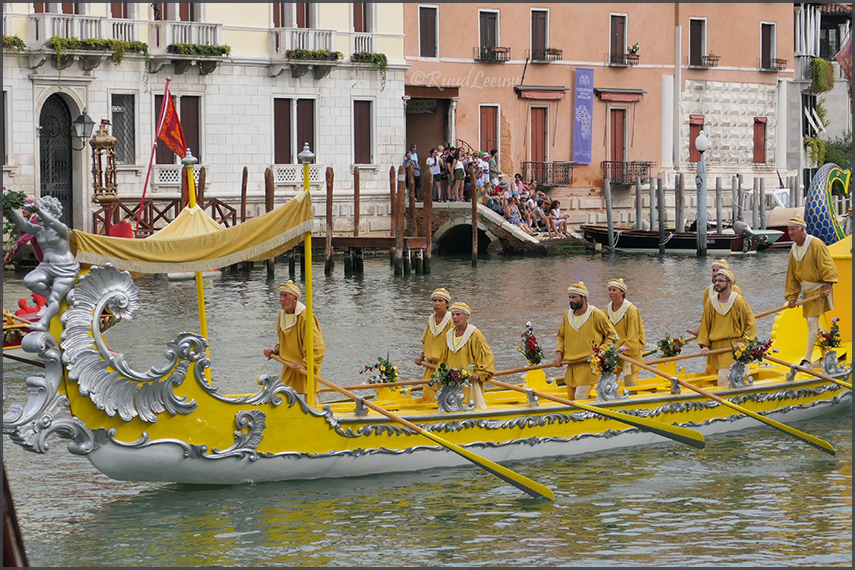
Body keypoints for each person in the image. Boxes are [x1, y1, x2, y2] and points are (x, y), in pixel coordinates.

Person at [4, 196, 79, 331]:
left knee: (55, 297)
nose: (38, 216)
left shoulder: (62, 229)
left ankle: (43, 323)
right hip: (46, 267)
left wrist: (38, 210)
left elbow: (52, 222)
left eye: (44, 211)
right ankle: (51, 301)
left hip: (65, 268)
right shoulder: (39, 231)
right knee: (29, 280)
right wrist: (9, 208)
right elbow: (22, 224)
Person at [784, 216, 839, 367]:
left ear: (802, 229)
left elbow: (827, 265)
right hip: (808, 291)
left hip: (820, 288)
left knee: (811, 321)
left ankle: (806, 360)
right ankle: (827, 354)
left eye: (793, 229)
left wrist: (828, 287)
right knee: (816, 326)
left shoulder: (815, 244)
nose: (790, 232)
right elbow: (792, 275)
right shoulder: (794, 249)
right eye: (789, 229)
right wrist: (792, 297)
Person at [553, 282, 618, 400]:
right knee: (571, 399)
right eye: (569, 297)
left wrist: (600, 352)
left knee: (579, 398)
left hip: (589, 365)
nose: (571, 300)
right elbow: (561, 337)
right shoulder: (567, 315)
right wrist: (559, 354)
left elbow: (612, 335)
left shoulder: (597, 314)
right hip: (572, 365)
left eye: (574, 297)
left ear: (584, 298)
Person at [263, 280, 326, 397]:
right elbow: (285, 339)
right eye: (281, 295)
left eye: (285, 296)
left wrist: (306, 365)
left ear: (295, 298)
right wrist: (277, 351)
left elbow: (318, 347)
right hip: (290, 367)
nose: (282, 299)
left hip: (303, 369)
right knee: (285, 396)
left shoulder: (306, 317)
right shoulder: (282, 315)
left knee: (309, 398)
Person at [698, 268, 757, 386]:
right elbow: (705, 326)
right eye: (716, 280)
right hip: (717, 348)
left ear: (729, 283)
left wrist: (744, 343)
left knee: (725, 379)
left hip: (734, 347)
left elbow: (750, 324)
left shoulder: (738, 301)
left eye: (721, 281)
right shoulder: (711, 303)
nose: (717, 283)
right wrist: (705, 345)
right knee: (721, 379)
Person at [438, 302, 495, 410]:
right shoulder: (449, 334)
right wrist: (440, 374)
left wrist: (479, 374)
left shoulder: (475, 334)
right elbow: (443, 358)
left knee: (468, 404)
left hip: (469, 381)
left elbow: (486, 356)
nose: (455, 317)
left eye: (458, 314)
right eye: (453, 315)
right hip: (452, 380)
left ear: (466, 317)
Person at [605, 278, 646, 392]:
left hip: (628, 353)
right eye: (609, 290)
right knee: (609, 386)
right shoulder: (608, 309)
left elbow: (633, 334)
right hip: (613, 353)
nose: (611, 293)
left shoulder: (631, 310)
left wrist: (623, 350)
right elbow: (606, 331)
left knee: (631, 386)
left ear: (622, 292)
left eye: (614, 290)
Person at [415, 288, 455, 403]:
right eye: (435, 301)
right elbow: (426, 339)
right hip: (431, 364)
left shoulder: (451, 320)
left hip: (445, 365)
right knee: (427, 394)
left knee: (450, 395)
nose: (437, 304)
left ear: (447, 303)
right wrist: (422, 357)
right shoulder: (430, 319)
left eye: (440, 301)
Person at [687, 259, 743, 339]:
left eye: (718, 270)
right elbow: (706, 313)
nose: (715, 273)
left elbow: (741, 314)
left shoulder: (735, 290)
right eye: (713, 270)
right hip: (713, 333)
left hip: (730, 334)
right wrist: (702, 330)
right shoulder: (708, 290)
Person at [3, 200, 43, 266]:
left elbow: (24, 239)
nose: (22, 211)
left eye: (25, 209)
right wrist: (9, 253)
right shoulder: (27, 223)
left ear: (31, 210)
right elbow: (18, 236)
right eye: (22, 208)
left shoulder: (36, 221)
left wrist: (12, 250)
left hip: (47, 258)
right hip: (40, 258)